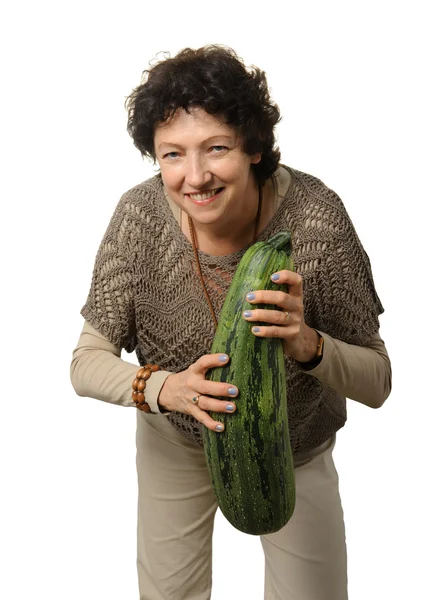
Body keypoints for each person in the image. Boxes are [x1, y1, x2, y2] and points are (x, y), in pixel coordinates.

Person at [70, 45, 392, 600]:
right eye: (172, 154)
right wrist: (165, 388)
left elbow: (378, 383)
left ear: (255, 149)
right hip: (177, 440)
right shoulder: (141, 218)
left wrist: (308, 344)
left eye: (216, 148)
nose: (194, 176)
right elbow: (85, 363)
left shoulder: (317, 221)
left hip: (296, 442)